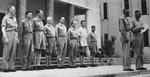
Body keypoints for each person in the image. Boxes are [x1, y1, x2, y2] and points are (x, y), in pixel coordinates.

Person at [1, 5, 19, 72]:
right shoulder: (5, 17)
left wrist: (17, 38)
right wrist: (5, 37)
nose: (15, 10)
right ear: (9, 10)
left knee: (13, 52)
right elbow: (3, 28)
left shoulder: (14, 18)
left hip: (14, 35)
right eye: (13, 9)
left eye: (15, 9)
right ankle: (5, 67)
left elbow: (16, 29)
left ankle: (11, 67)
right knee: (7, 52)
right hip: (8, 34)